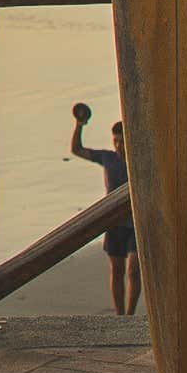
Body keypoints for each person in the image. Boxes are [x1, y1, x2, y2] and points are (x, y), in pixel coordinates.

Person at [68, 103, 139, 315]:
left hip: (136, 224)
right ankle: (119, 317)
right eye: (115, 141)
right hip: (113, 223)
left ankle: (130, 315)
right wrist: (80, 124)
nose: (118, 146)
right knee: (117, 270)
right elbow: (77, 150)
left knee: (133, 271)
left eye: (122, 141)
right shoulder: (107, 158)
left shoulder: (139, 160)